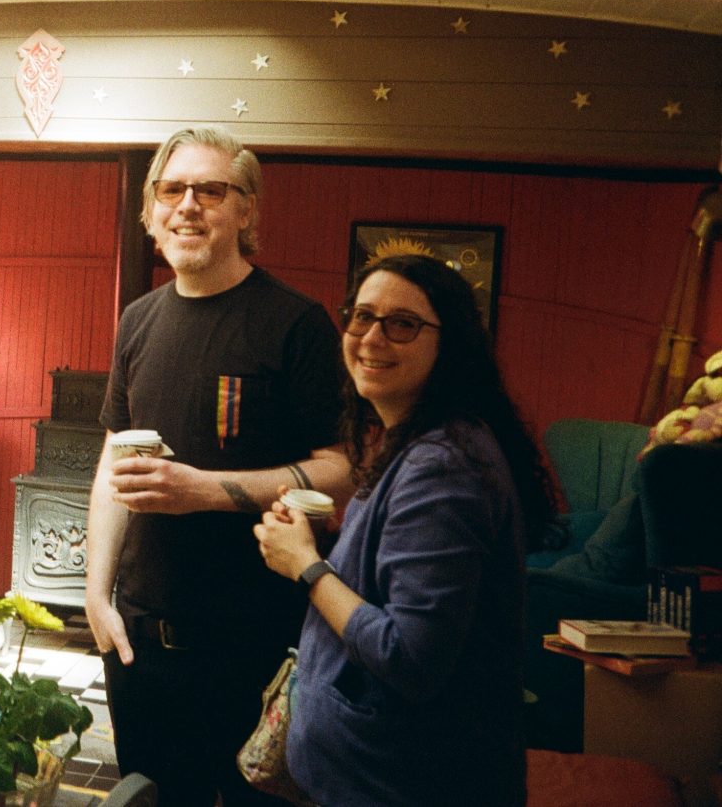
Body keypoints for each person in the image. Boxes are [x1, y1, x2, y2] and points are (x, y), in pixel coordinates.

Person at [87, 126, 352, 806]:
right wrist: (96, 593)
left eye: (211, 189)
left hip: (254, 644)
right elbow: (111, 465)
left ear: (247, 209)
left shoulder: (295, 323)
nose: (189, 205)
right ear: (150, 211)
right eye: (172, 189)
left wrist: (206, 491)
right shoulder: (136, 321)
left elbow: (338, 470)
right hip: (141, 640)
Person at [254, 254, 560, 806]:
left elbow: (409, 655)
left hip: (405, 784)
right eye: (361, 317)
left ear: (450, 345)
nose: (372, 338)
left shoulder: (444, 465)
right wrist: (326, 540)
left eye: (403, 324)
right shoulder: (426, 441)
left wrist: (304, 564)